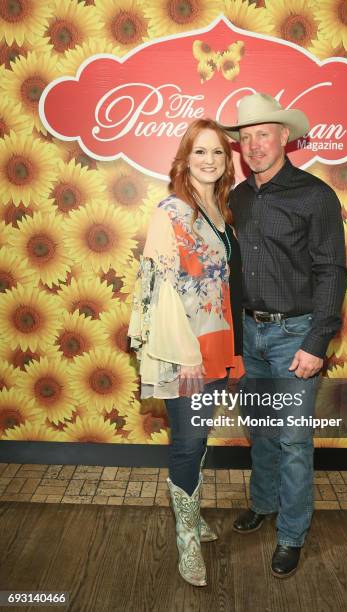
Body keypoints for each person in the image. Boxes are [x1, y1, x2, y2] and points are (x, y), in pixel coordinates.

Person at [220, 93, 347, 578]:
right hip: (250, 335)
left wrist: (316, 343)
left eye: (263, 135)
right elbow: (231, 274)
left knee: (295, 440)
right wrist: (233, 343)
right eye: (246, 137)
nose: (254, 145)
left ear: (284, 138)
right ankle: (265, 503)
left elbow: (332, 273)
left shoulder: (315, 195)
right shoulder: (238, 198)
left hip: (296, 337)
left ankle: (292, 534)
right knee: (262, 433)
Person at [128, 119, 244, 587]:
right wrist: (188, 357)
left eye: (218, 152)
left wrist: (229, 351)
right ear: (184, 159)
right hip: (185, 352)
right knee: (189, 442)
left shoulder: (221, 211)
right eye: (200, 152)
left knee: (198, 439)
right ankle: (186, 543)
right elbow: (161, 293)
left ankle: (193, 519)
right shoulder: (170, 212)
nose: (210, 160)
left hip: (217, 343)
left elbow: (221, 288)